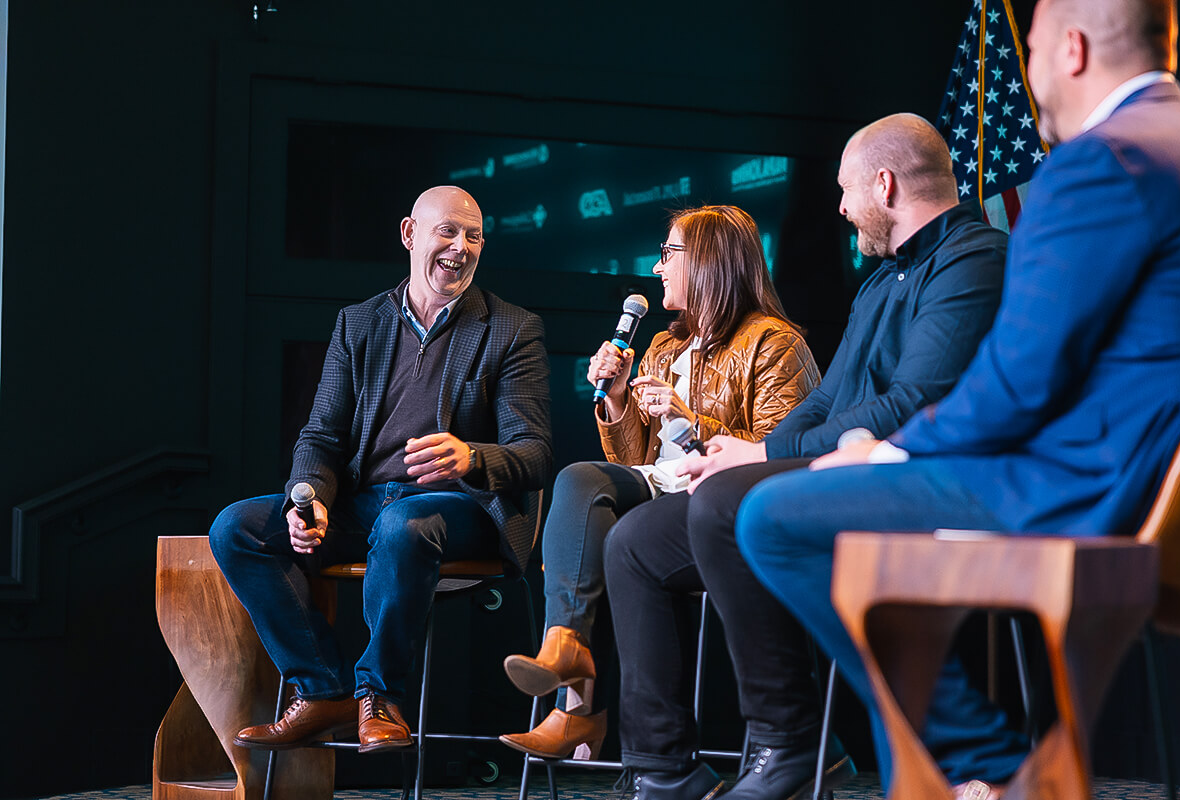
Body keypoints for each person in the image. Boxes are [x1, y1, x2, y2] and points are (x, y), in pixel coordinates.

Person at [735, 0, 1180, 797]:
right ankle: (961, 770)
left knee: (776, 518)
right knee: (850, 512)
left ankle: (984, 766)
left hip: (1101, 492)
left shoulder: (1107, 161)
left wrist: (888, 450)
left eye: (1028, 52)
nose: (1029, 78)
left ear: (1070, 48)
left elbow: (1017, 384)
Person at [605, 113, 1008, 800]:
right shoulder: (882, 281)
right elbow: (826, 407)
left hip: (920, 480)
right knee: (632, 541)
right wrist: (744, 451)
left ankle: (787, 744)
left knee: (726, 504)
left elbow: (913, 403)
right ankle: (664, 768)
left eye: (849, 191)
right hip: (841, 468)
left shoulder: (973, 260)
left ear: (884, 185)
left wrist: (760, 451)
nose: (843, 207)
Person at [210, 185, 553, 754]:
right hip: (366, 500)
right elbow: (321, 435)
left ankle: (381, 698)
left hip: (460, 506)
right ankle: (323, 692)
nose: (460, 246)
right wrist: (313, 496)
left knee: (405, 526)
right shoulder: (359, 322)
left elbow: (535, 453)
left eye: (473, 236)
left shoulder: (511, 329)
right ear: (409, 234)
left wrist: (472, 456)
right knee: (237, 528)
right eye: (447, 231)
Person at [497, 205, 819, 767]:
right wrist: (619, 398)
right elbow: (636, 461)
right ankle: (566, 653)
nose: (657, 268)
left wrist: (689, 417)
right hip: (665, 493)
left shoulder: (773, 343)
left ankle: (578, 709)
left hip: (726, 509)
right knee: (580, 482)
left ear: (709, 262)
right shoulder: (665, 347)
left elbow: (782, 452)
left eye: (668, 255)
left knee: (610, 536)